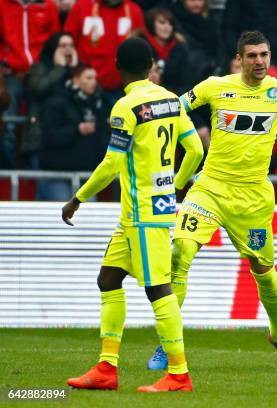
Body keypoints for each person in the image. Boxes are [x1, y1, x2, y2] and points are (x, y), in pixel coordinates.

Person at [146, 30, 277, 371]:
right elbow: (174, 109)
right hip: (210, 189)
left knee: (264, 271)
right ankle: (168, 344)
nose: (259, 61)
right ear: (239, 59)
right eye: (252, 56)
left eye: (263, 55)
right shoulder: (215, 86)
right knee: (179, 253)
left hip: (252, 198)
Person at [61, 37, 204, 392]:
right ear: (152, 64)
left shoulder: (125, 107)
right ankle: (106, 369)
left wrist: (78, 198)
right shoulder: (171, 100)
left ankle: (179, 374)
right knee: (108, 280)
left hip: (143, 215)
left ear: (117, 66)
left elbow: (112, 163)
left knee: (159, 290)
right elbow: (196, 148)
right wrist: (173, 185)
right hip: (137, 215)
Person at [0, 0, 60, 168]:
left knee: (39, 126)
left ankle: (34, 170)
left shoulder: (48, 6)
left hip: (40, 73)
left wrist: (47, 67)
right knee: (8, 127)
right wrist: (3, 61)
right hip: (11, 74)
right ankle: (9, 175)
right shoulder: (3, 5)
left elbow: (54, 41)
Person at [38, 64, 108, 201]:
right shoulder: (56, 102)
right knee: (62, 213)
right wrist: (76, 130)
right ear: (75, 79)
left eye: (95, 78)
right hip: (57, 173)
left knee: (87, 216)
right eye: (88, 77)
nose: (93, 81)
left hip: (87, 173)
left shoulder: (98, 104)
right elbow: (48, 136)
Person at [64, 0, 145, 102]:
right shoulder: (82, 6)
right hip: (86, 91)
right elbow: (68, 46)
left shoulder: (134, 11)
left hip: (122, 91)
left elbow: (141, 51)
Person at [23, 33, 79, 169]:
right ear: (52, 48)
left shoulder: (79, 72)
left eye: (71, 45)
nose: (68, 49)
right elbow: (39, 89)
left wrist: (75, 70)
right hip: (41, 138)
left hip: (71, 140)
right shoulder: (38, 68)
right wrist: (59, 69)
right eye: (63, 46)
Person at [141, 7, 190, 95]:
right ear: (151, 24)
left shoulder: (180, 48)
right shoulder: (142, 47)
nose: (167, 27)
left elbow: (185, 80)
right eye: (162, 22)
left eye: (170, 24)